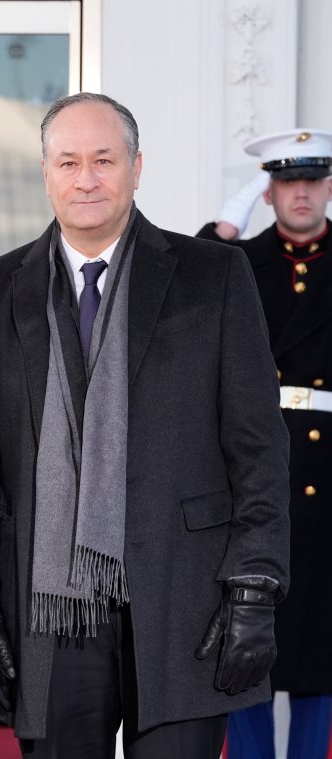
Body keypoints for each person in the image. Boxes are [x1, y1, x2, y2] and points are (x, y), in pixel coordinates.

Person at [0, 92, 290, 759]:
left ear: (137, 167)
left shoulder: (213, 275)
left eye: (104, 160)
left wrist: (255, 586)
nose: (86, 178)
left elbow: (259, 446)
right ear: (45, 170)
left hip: (186, 598)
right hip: (47, 611)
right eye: (69, 161)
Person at [197, 129, 332, 759]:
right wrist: (228, 222)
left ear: (328, 187)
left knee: (320, 654)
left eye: (312, 181)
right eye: (285, 181)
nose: (300, 193)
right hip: (252, 470)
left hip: (326, 478)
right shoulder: (238, 263)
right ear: (270, 191)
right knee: (245, 639)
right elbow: (182, 291)